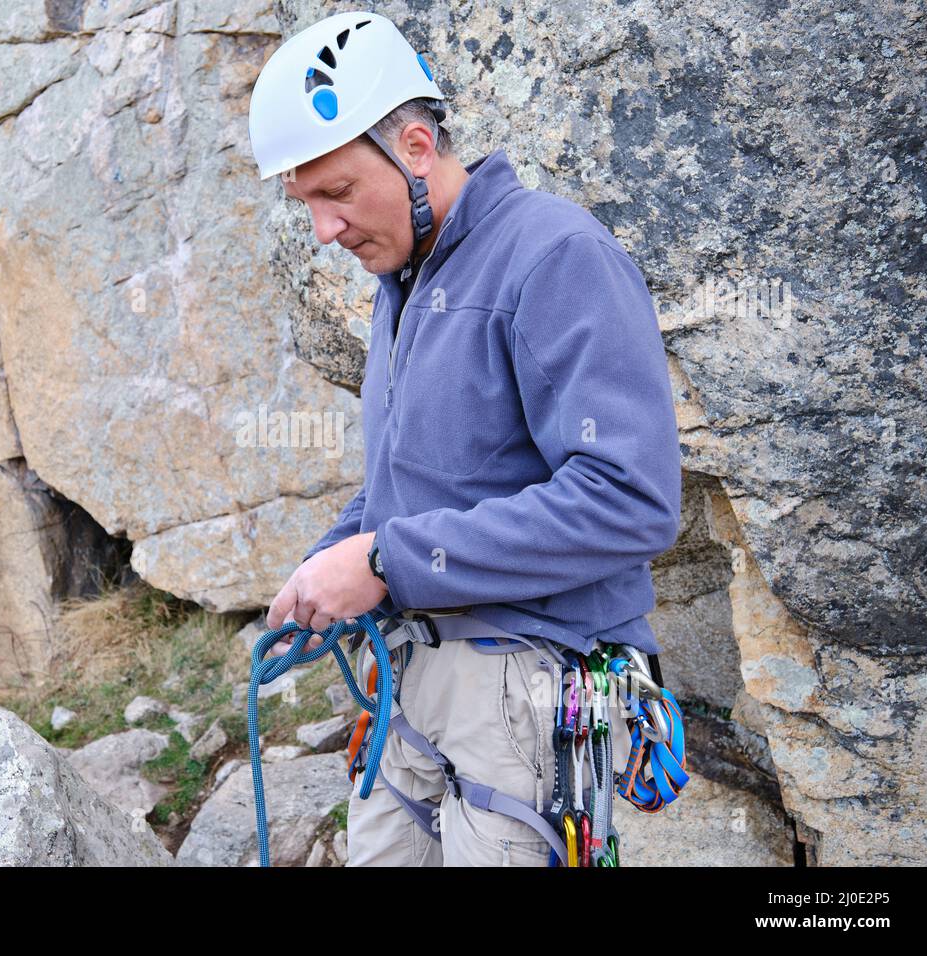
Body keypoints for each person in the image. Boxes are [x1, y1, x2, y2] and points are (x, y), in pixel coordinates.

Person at [247, 11, 682, 866]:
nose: (323, 231)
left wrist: (381, 565)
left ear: (415, 146)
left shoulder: (554, 256)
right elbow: (415, 482)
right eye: (306, 204)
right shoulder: (406, 279)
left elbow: (629, 498)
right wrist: (330, 563)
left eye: (336, 192)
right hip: (416, 689)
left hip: (527, 688)